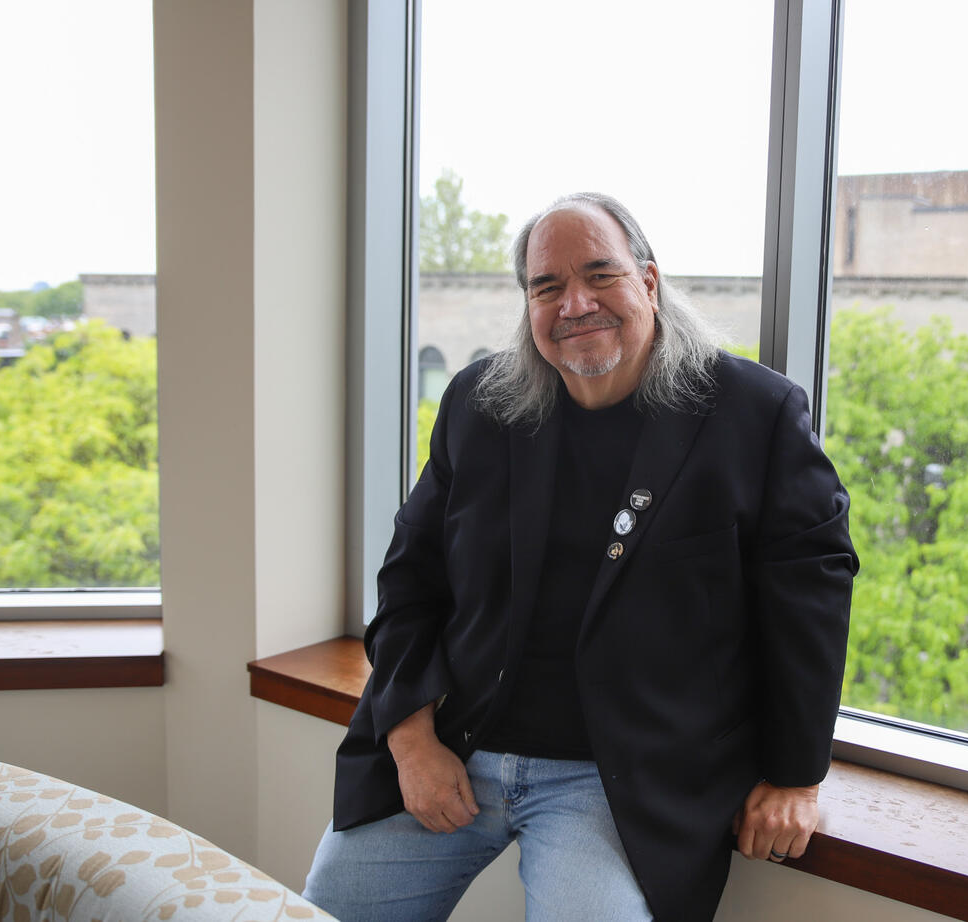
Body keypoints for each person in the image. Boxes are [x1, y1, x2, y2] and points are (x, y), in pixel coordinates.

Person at [304, 192, 857, 922]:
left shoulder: (755, 414)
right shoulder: (479, 403)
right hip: (453, 744)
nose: (575, 304)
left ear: (649, 282)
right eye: (547, 287)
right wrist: (410, 742)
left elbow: (810, 602)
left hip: (617, 784)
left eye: (601, 275)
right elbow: (410, 580)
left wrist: (797, 777)